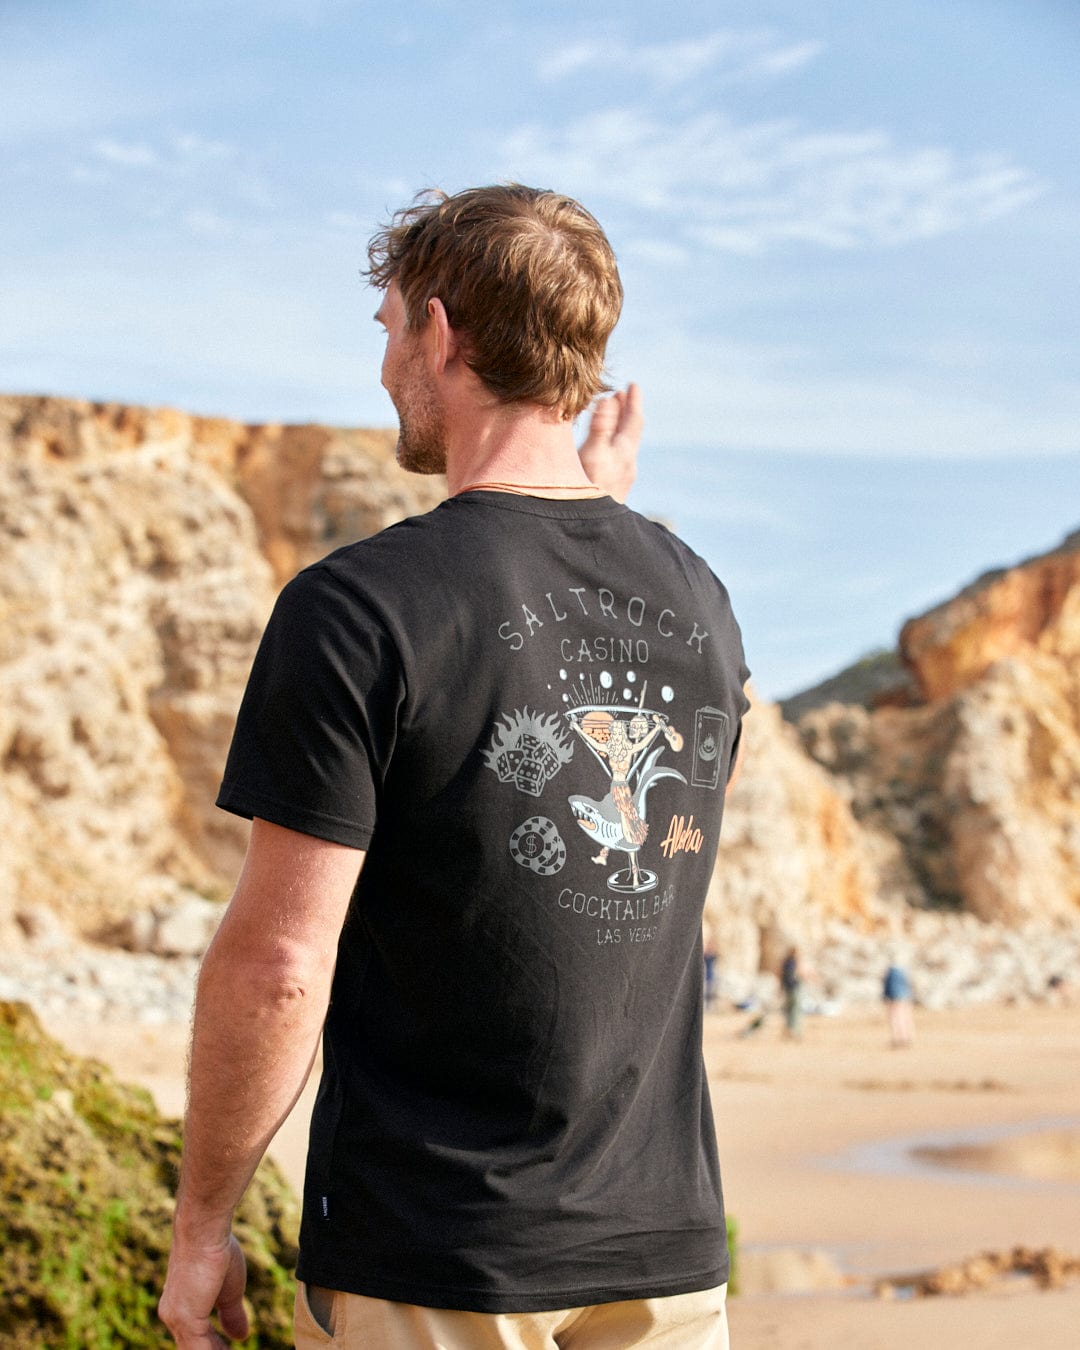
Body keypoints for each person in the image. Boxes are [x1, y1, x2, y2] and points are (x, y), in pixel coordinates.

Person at [159, 184, 750, 1350]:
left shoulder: (360, 610)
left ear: (441, 331)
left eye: (386, 330)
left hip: (438, 1257)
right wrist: (599, 517)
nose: (385, 367)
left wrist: (201, 1229)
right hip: (666, 1256)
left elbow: (281, 964)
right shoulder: (700, 603)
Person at [883, 961, 915, 1048]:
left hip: (895, 994)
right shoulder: (904, 970)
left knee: (895, 1015)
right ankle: (906, 1036)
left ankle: (898, 1038)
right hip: (904, 992)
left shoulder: (892, 971)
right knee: (905, 1014)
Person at [780, 946, 802, 1039]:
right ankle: (792, 1030)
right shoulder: (791, 963)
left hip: (788, 988)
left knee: (790, 1009)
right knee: (794, 1010)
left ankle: (789, 1030)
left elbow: (782, 976)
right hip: (793, 988)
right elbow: (790, 976)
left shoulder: (786, 962)